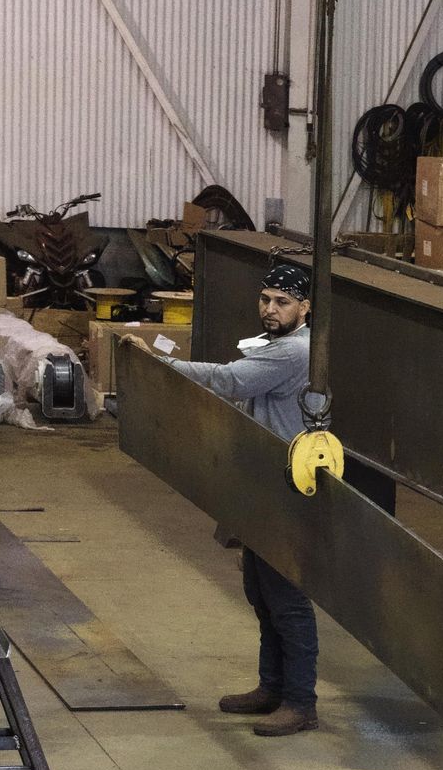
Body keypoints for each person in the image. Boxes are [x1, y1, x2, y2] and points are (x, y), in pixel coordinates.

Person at [131, 260, 321, 736]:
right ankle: (272, 688)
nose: (270, 309)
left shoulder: (295, 351)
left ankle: (300, 703)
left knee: (287, 599)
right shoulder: (277, 344)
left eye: (282, 302)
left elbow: (230, 381)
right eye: (265, 299)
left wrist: (158, 362)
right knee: (261, 592)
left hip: (287, 488)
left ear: (304, 307)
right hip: (263, 483)